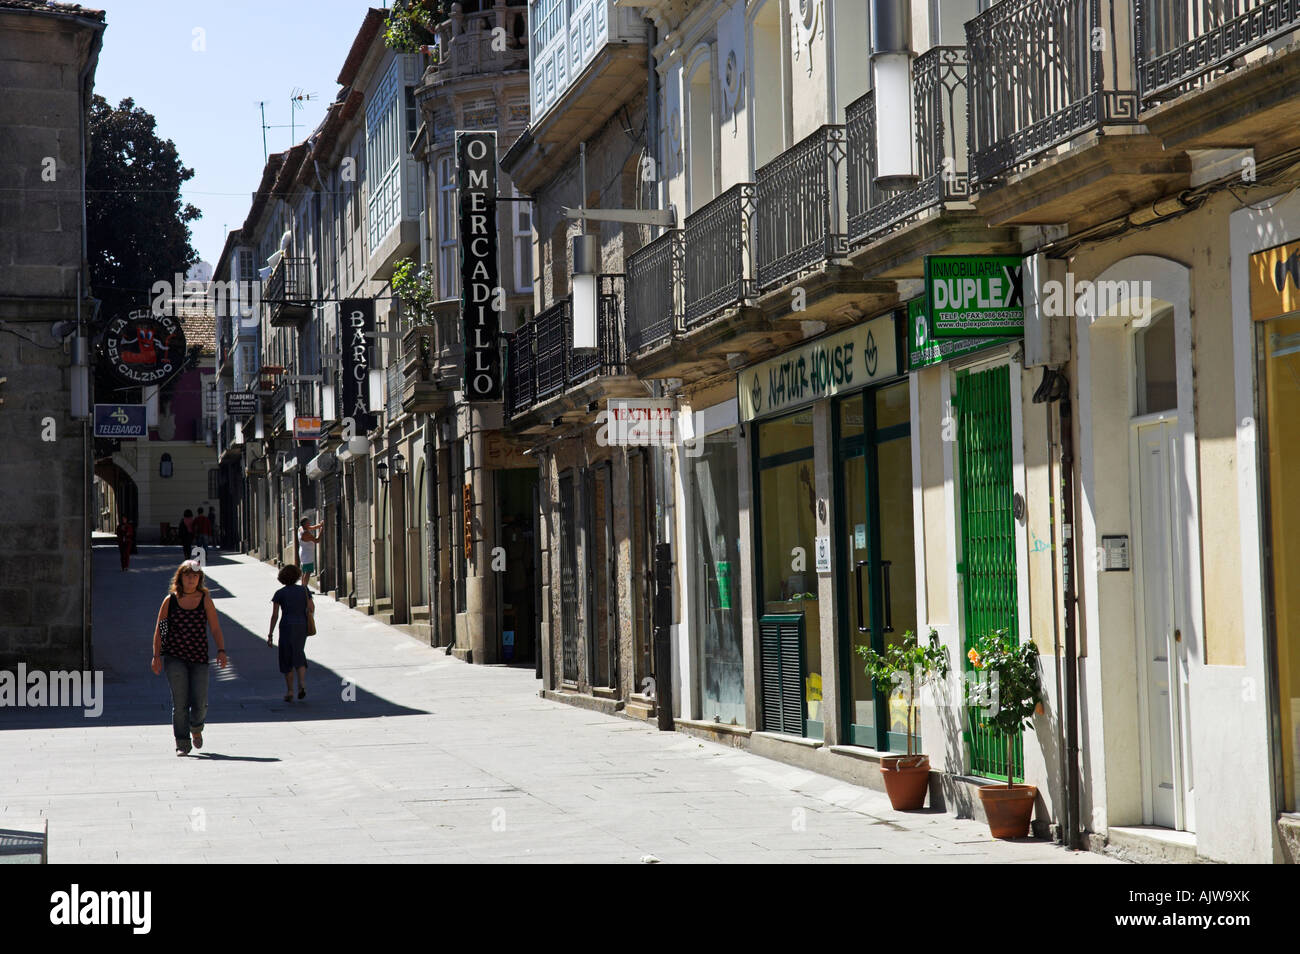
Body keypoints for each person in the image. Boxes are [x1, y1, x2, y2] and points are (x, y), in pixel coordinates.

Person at [151, 559, 228, 755]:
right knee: (180, 702)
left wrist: (221, 650)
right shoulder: (171, 601)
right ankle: (182, 741)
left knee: (200, 702)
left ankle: (196, 728)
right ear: (180, 578)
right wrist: (157, 655)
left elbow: (215, 627)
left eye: (195, 576)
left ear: (200, 578)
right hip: (175, 657)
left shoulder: (205, 600)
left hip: (199, 657)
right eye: (187, 575)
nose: (191, 579)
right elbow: (162, 629)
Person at [268, 564, 313, 703]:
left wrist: (270, 634)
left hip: (286, 626)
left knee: (286, 656)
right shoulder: (304, 590)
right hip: (301, 626)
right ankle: (302, 684)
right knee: (299, 652)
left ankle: (290, 691)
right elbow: (311, 608)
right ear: (297, 576)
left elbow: (274, 615)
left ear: (282, 578)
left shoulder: (279, 593)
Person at [297, 517, 324, 588]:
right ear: (304, 524)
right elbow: (317, 540)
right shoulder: (305, 533)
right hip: (307, 555)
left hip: (303, 552)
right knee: (308, 572)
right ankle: (304, 588)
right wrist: (322, 529)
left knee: (304, 571)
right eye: (308, 522)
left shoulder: (301, 528)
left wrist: (320, 525)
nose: (309, 523)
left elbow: (312, 527)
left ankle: (302, 587)